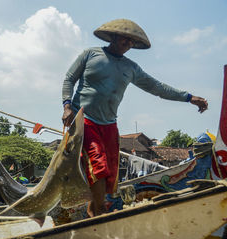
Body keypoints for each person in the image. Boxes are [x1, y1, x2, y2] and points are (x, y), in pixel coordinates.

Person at [61, 19, 208, 217]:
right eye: (125, 38)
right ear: (113, 36)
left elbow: (158, 88)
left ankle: (92, 210)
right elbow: (69, 78)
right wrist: (67, 106)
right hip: (84, 120)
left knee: (110, 176)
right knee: (98, 166)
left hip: (109, 125)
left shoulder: (131, 68)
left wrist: (189, 98)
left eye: (132, 42)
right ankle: (100, 214)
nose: (128, 44)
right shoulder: (90, 54)